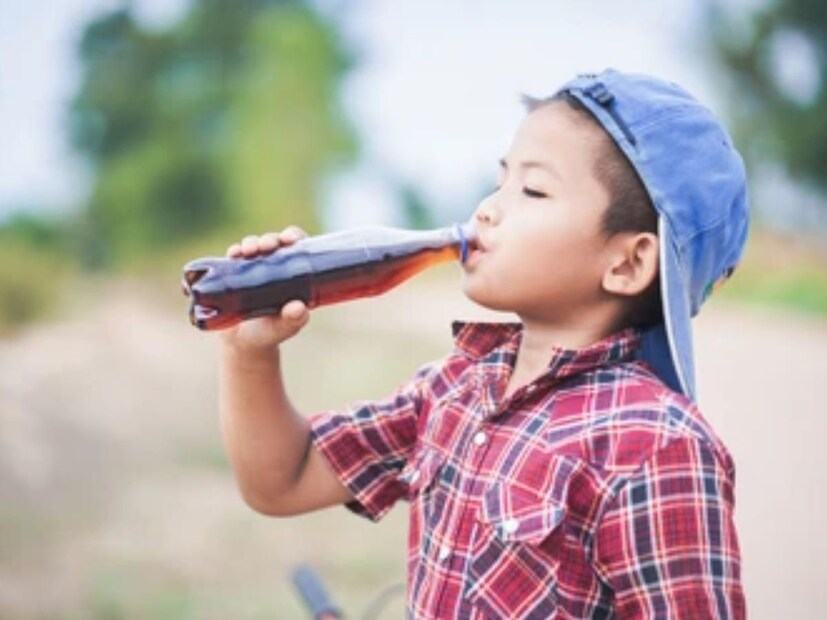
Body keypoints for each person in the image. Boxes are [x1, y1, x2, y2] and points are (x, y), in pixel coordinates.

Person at [218, 69, 748, 618]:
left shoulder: (657, 445)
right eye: (500, 181)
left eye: (533, 189)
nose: (486, 209)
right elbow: (283, 479)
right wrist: (248, 351)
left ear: (629, 262)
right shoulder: (453, 388)